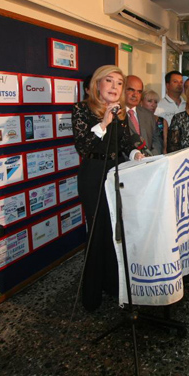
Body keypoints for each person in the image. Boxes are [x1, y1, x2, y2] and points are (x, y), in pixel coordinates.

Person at [72, 65, 147, 312]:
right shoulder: (82, 109)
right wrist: (104, 122)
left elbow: (125, 143)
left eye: (119, 83)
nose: (115, 87)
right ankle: (91, 295)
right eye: (109, 81)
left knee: (114, 232)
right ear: (97, 84)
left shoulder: (121, 113)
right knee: (96, 232)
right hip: (93, 176)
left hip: (115, 175)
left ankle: (113, 285)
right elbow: (83, 146)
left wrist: (136, 154)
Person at [124, 76, 163, 156]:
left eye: (139, 92)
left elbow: (156, 139)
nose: (135, 95)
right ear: (122, 90)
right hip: (126, 161)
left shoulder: (148, 115)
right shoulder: (115, 114)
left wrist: (151, 157)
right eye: (131, 90)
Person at [141, 89, 167, 154]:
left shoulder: (162, 121)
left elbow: (165, 144)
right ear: (141, 102)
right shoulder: (136, 119)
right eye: (149, 101)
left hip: (159, 155)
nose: (153, 105)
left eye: (155, 102)